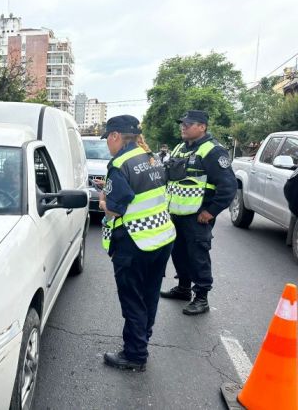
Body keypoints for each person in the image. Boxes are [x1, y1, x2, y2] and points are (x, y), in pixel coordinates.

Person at [98, 115, 176, 371]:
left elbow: (115, 209)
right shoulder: (150, 157)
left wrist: (102, 201)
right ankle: (142, 339)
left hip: (135, 242)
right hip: (161, 238)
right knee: (149, 296)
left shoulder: (119, 163)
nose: (108, 144)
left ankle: (134, 355)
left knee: (132, 299)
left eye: (108, 138)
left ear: (116, 136)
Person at [160, 110, 237, 315]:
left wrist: (211, 212)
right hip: (175, 214)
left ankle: (202, 298)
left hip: (197, 217)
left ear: (202, 127)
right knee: (178, 253)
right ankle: (184, 288)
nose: (182, 127)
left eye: (188, 124)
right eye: (182, 124)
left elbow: (228, 186)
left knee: (198, 257)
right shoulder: (179, 148)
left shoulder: (213, 151)